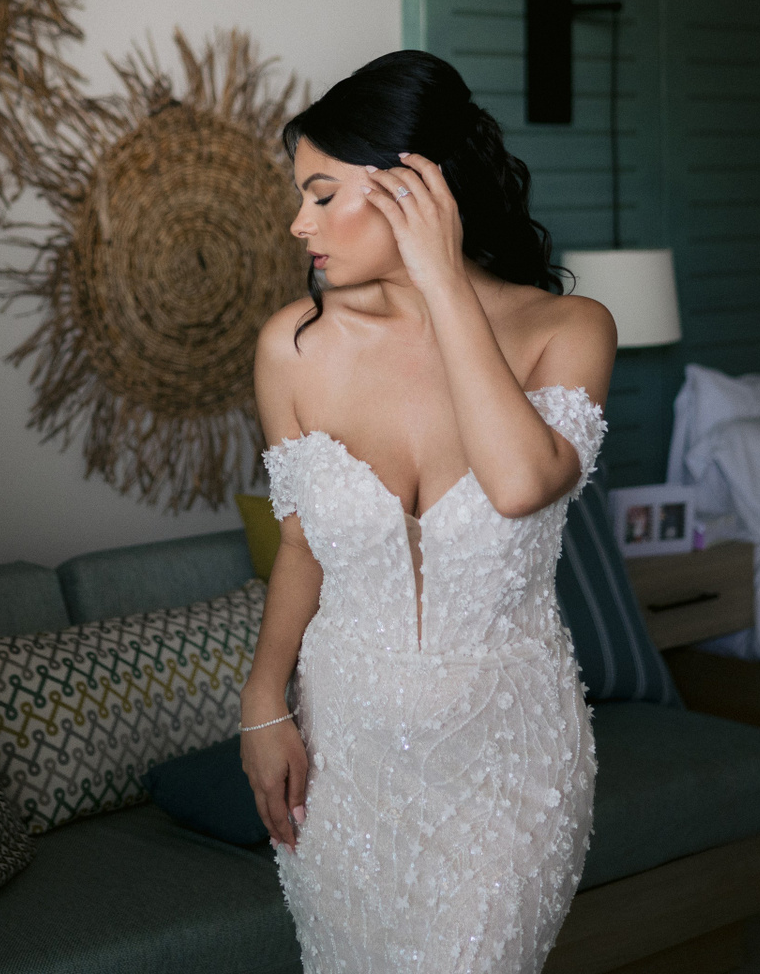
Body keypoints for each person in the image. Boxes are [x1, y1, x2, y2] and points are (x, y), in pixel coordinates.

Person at [240, 50, 616, 973]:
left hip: (507, 766)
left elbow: (520, 483)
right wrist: (262, 704)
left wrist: (442, 283)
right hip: (345, 764)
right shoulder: (294, 348)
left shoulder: (566, 330)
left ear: (417, 192)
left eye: (323, 195)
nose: (299, 223)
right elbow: (301, 544)